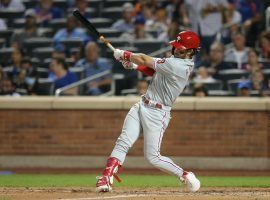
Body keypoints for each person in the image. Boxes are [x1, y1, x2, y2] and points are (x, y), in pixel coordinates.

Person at [96, 30, 201, 193]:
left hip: (158, 114)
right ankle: (106, 177)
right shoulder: (174, 61)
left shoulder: (180, 66)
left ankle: (185, 175)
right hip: (142, 105)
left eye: (181, 48)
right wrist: (134, 65)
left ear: (191, 51)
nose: (176, 49)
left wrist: (124, 54)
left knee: (153, 157)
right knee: (123, 141)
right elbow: (153, 70)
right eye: (176, 46)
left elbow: (145, 58)